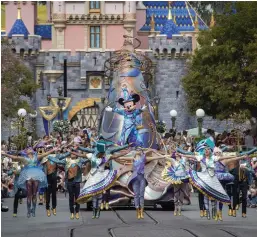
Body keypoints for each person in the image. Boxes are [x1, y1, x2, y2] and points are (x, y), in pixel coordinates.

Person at [76, 139, 130, 219]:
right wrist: (74, 150)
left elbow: (116, 154)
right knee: (94, 196)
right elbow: (83, 154)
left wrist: (126, 151)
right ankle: (95, 212)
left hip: (102, 176)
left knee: (100, 195)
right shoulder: (92, 155)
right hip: (93, 178)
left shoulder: (106, 157)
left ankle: (99, 209)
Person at [2, 147, 56, 218]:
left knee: (34, 194)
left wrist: (53, 150)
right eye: (28, 149)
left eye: (30, 149)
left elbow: (45, 154)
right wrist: (5, 154)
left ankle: (33, 209)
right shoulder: (24, 158)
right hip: (28, 176)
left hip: (36, 175)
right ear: (26, 152)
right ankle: (28, 210)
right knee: (29, 195)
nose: (29, 149)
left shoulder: (37, 157)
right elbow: (14, 157)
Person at [47, 149, 89, 220]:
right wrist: (48, 156)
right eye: (72, 153)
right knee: (71, 198)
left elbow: (88, 159)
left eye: (74, 152)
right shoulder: (66, 160)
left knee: (77, 198)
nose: (73, 154)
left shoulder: (80, 160)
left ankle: (77, 212)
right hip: (69, 182)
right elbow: (57, 161)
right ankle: (72, 212)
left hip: (77, 182)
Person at [40, 146, 70, 217]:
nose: (50, 150)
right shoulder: (44, 157)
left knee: (54, 193)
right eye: (49, 149)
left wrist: (70, 151)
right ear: (47, 150)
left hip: (54, 177)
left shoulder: (56, 156)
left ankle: (54, 207)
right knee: (47, 194)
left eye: (51, 148)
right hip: (47, 177)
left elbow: (64, 155)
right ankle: (47, 208)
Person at [162, 151, 190, 216]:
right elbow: (165, 157)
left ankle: (179, 209)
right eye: (176, 153)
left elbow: (188, 155)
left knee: (182, 194)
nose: (177, 154)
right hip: (176, 178)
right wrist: (170, 154)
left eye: (178, 153)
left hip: (184, 177)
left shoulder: (183, 159)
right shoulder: (173, 160)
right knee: (176, 193)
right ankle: (175, 208)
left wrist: (183, 154)